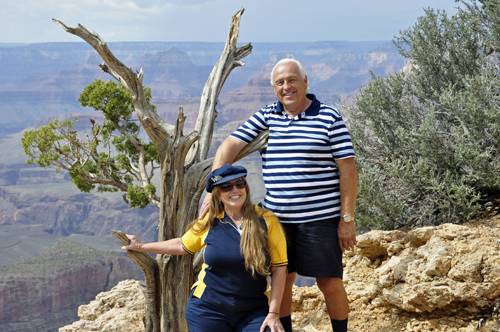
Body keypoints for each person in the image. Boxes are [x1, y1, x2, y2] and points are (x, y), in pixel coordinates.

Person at [199, 59, 358, 332]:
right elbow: (228, 147)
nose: (287, 87)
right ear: (274, 88)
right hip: (276, 220)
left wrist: (347, 218)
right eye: (280, 82)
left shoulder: (329, 117)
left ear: (305, 82)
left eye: (292, 80)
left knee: (329, 283)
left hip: (320, 219)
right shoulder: (267, 116)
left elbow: (348, 171)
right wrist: (213, 190)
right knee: (282, 281)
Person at [123, 164, 288, 332]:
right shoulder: (210, 221)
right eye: (226, 187)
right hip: (208, 309)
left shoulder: (266, 220)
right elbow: (182, 245)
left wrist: (273, 313)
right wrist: (141, 246)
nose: (235, 190)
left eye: (240, 184)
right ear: (217, 195)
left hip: (253, 311)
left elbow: (280, 267)